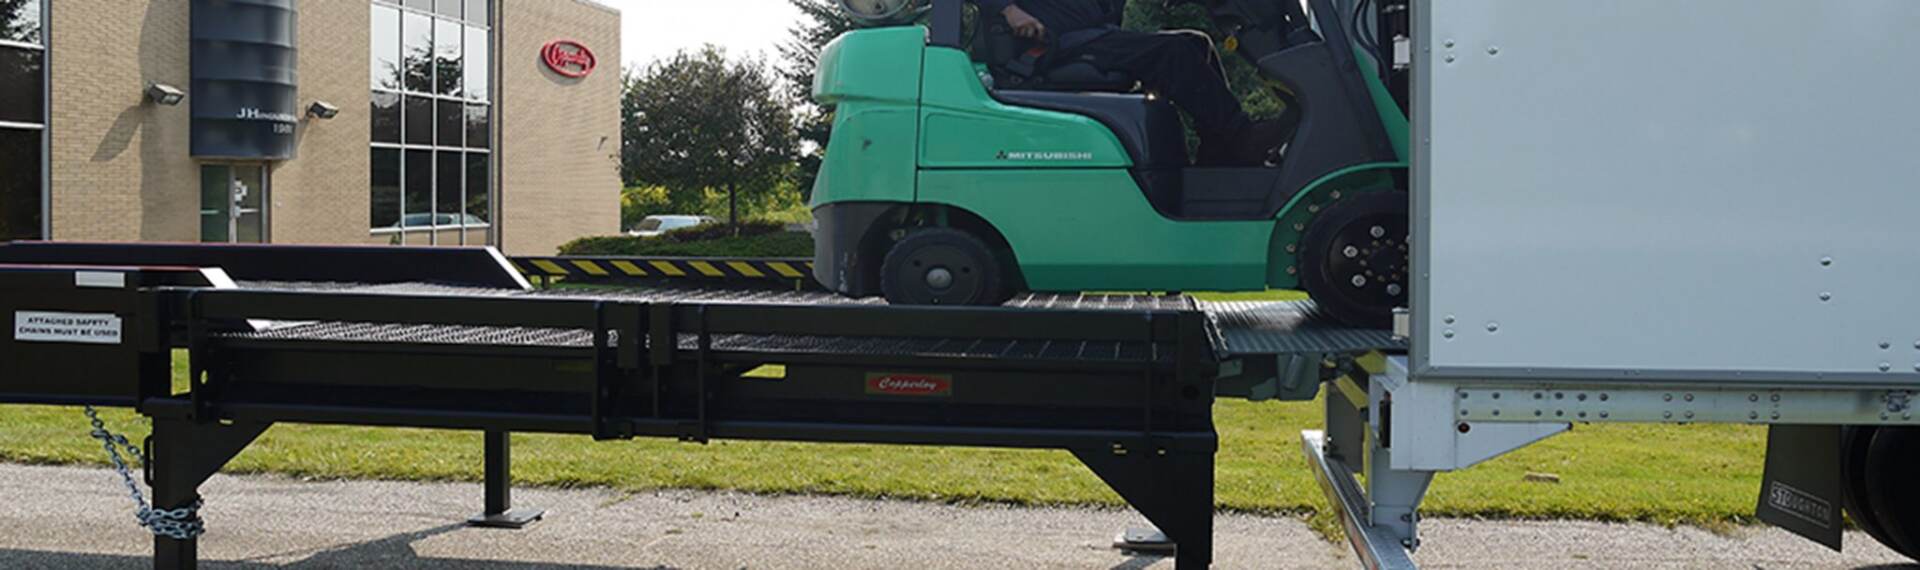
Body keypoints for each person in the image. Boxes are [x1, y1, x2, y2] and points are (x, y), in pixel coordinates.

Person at [971, 0, 1298, 166]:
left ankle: (1221, 153)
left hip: (1092, 38)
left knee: (1196, 43)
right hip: (1053, 45)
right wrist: (1009, 10)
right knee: (1174, 50)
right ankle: (1239, 137)